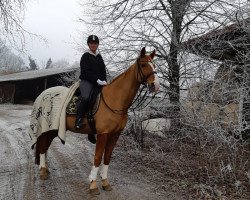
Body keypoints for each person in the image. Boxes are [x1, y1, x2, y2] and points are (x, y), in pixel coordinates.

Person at [75, 35, 107, 143]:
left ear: (97, 45)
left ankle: (91, 130)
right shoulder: (85, 56)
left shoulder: (99, 57)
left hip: (98, 83)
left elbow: (103, 71)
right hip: (86, 81)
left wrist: (104, 81)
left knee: (102, 102)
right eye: (91, 43)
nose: (93, 45)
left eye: (95, 43)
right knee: (85, 97)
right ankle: (78, 119)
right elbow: (85, 71)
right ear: (88, 44)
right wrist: (97, 79)